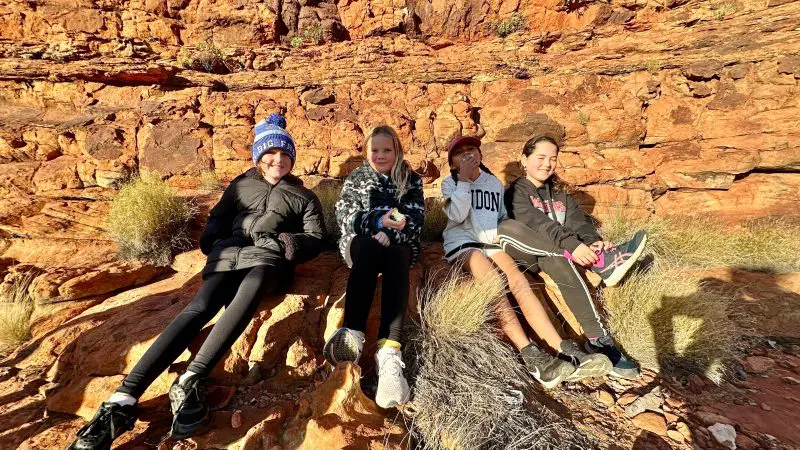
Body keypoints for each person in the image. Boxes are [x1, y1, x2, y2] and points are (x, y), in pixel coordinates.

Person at [68, 113, 325, 450]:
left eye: (284, 154)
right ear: (258, 157)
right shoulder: (240, 186)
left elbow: (315, 237)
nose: (277, 160)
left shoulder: (303, 196)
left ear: (292, 157)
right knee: (199, 307)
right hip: (227, 257)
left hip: (267, 259)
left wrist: (286, 244)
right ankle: (121, 401)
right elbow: (218, 218)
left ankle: (191, 379)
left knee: (247, 296)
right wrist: (213, 241)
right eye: (269, 153)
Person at [441, 135, 611, 389]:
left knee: (519, 282)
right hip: (463, 243)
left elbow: (500, 216)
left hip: (491, 243)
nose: (467, 154)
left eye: (472, 149)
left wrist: (502, 234)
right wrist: (464, 178)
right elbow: (456, 215)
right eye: (459, 153)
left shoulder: (493, 183)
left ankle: (563, 348)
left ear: (480, 154)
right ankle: (530, 354)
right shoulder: (450, 183)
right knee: (494, 283)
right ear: (452, 162)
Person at [500, 135, 647, 379]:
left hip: (555, 253)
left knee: (558, 259)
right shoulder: (515, 193)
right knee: (540, 244)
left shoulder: (561, 194)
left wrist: (591, 243)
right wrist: (572, 246)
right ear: (524, 160)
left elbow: (579, 223)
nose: (547, 164)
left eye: (553, 159)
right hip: (525, 254)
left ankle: (598, 341)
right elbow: (535, 223)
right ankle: (602, 264)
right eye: (540, 157)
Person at [323, 125, 424, 409]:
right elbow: (345, 215)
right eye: (374, 150)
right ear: (366, 152)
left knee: (397, 257)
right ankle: (353, 335)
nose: (380, 155)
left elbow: (416, 218)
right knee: (369, 248)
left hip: (399, 244)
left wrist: (390, 233)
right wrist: (377, 222)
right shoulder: (357, 177)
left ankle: (389, 353)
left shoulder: (410, 179)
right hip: (362, 243)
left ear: (397, 150)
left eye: (387, 150)